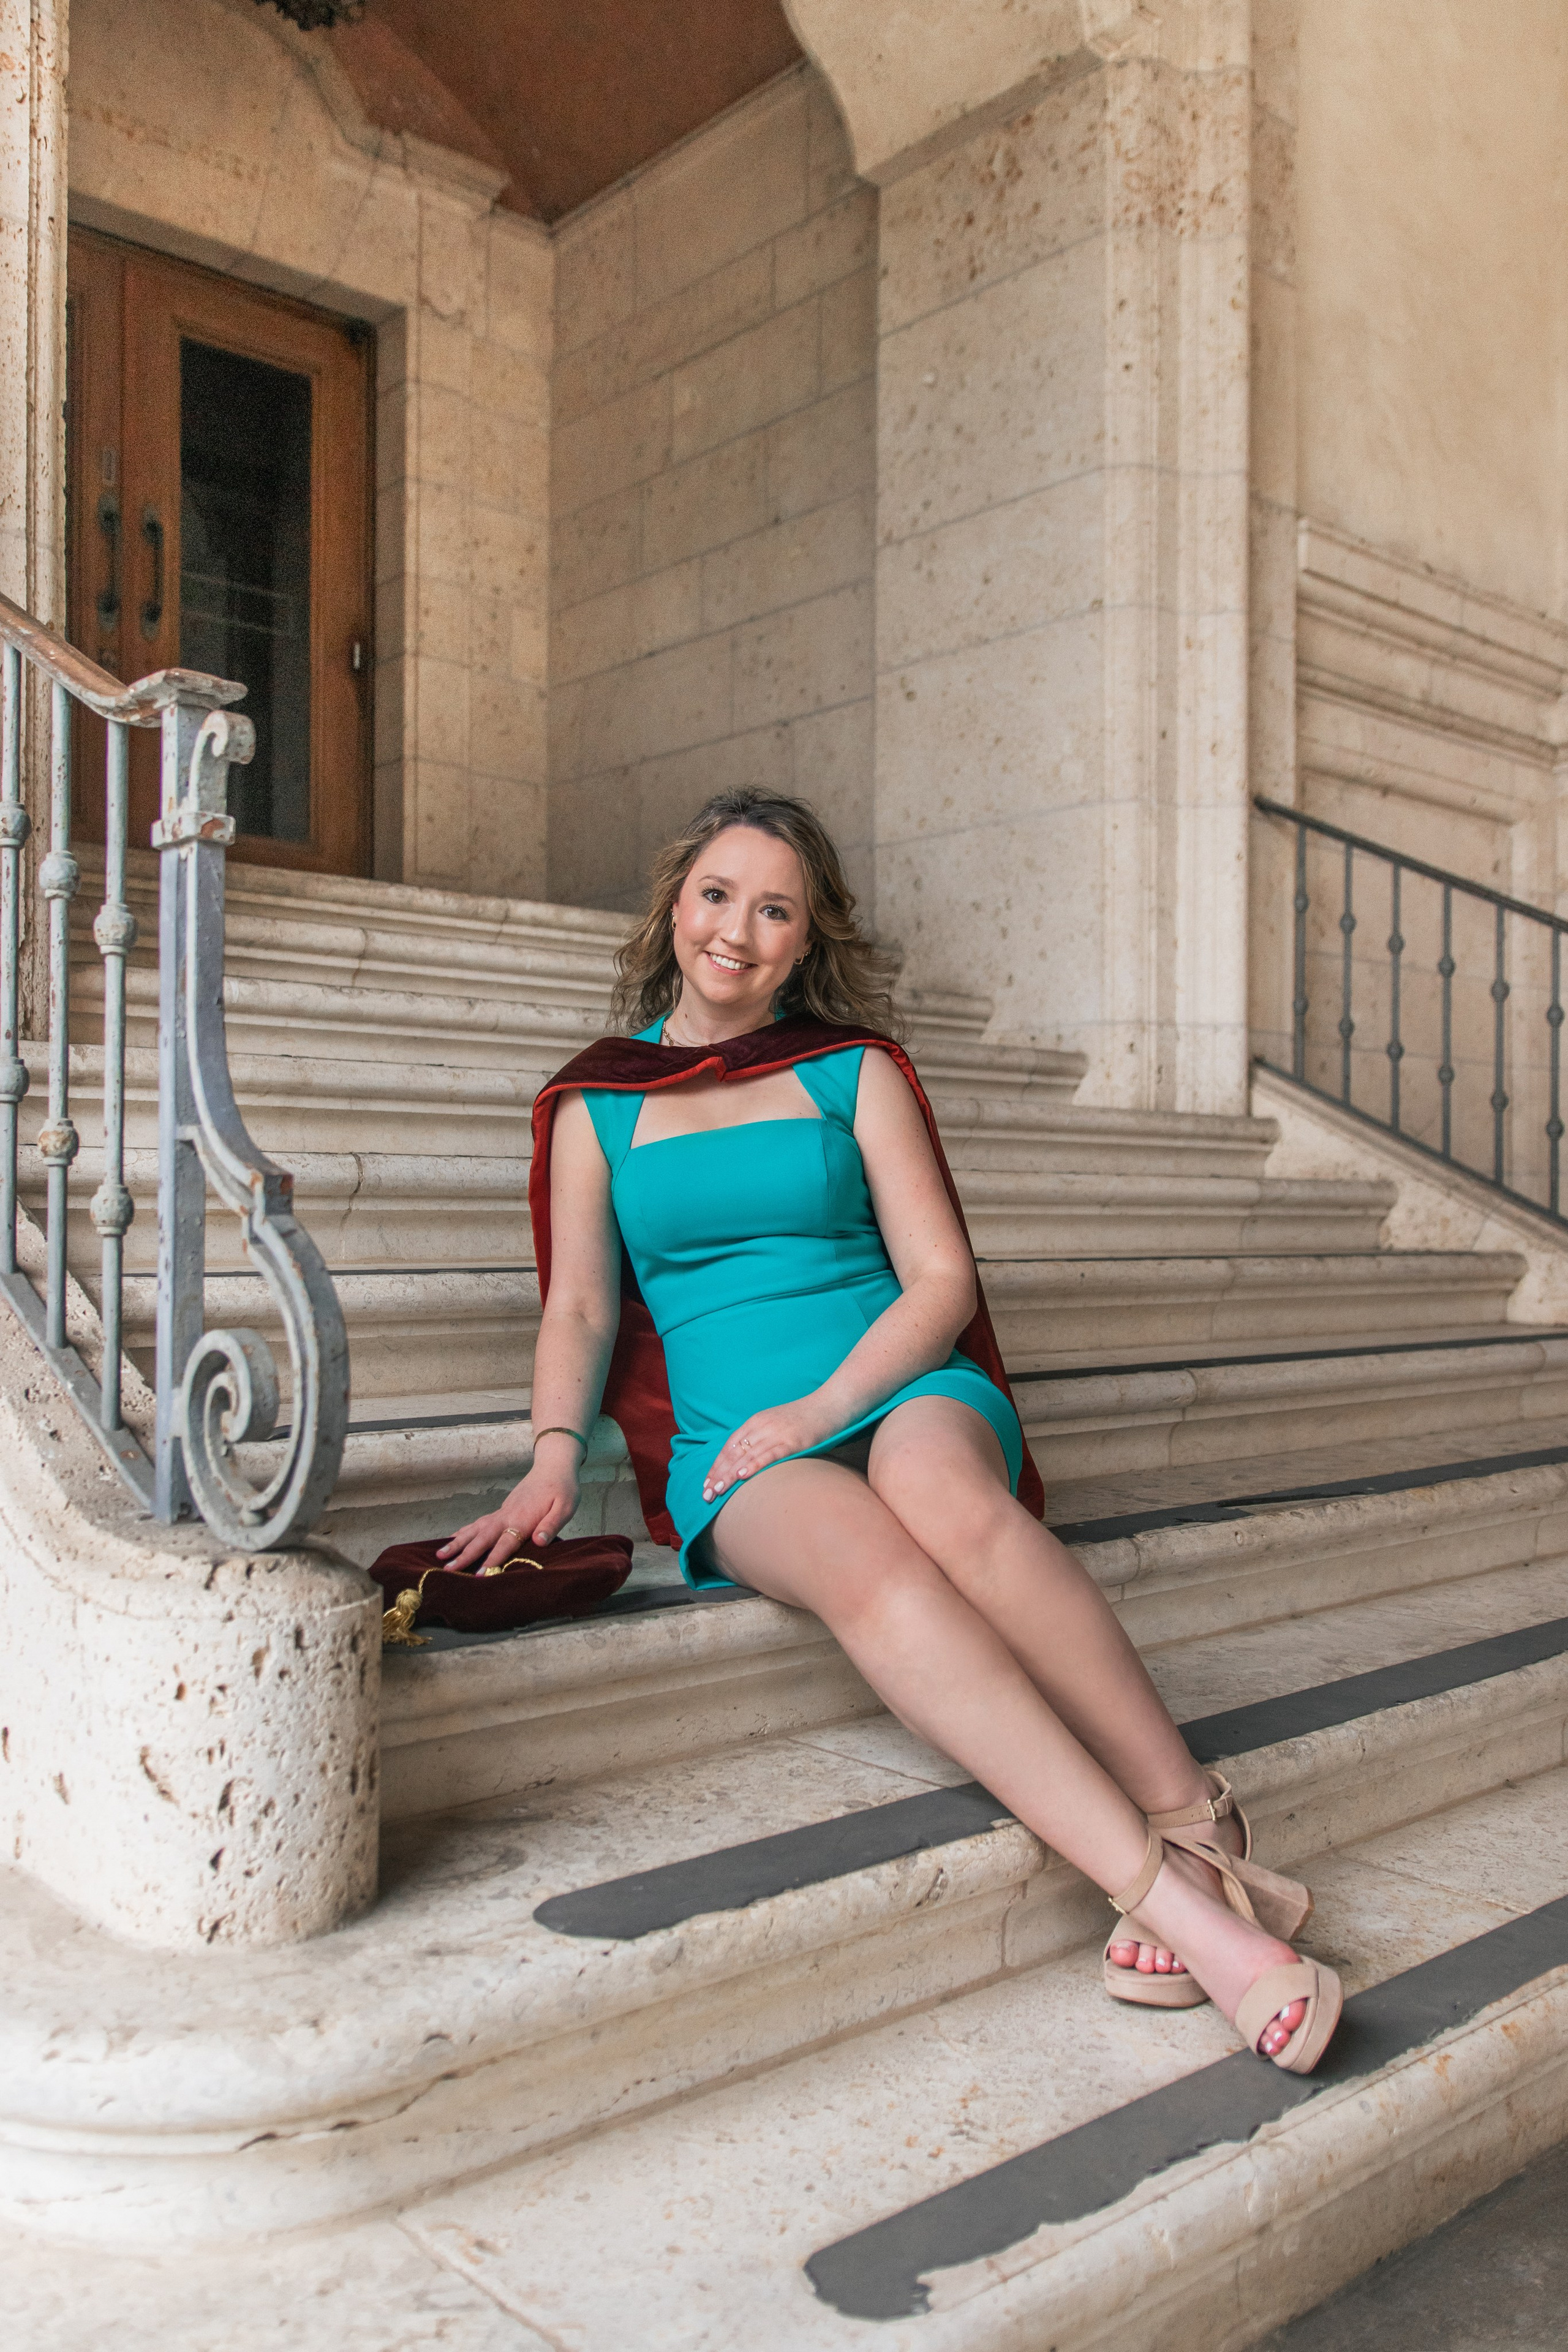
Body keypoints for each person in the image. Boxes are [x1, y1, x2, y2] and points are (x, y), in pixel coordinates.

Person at [441, 789, 1341, 2075]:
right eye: (715, 896)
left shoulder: (847, 1068)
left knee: (940, 1496)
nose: (736, 934)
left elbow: (938, 1283)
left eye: (773, 911)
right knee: (871, 1570)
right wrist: (546, 1454)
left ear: (806, 942)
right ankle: (1173, 1902)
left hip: (892, 1381)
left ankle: (1195, 1821)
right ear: (673, 904)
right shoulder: (597, 1103)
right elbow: (580, 1305)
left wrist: (820, 1407)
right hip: (733, 1447)